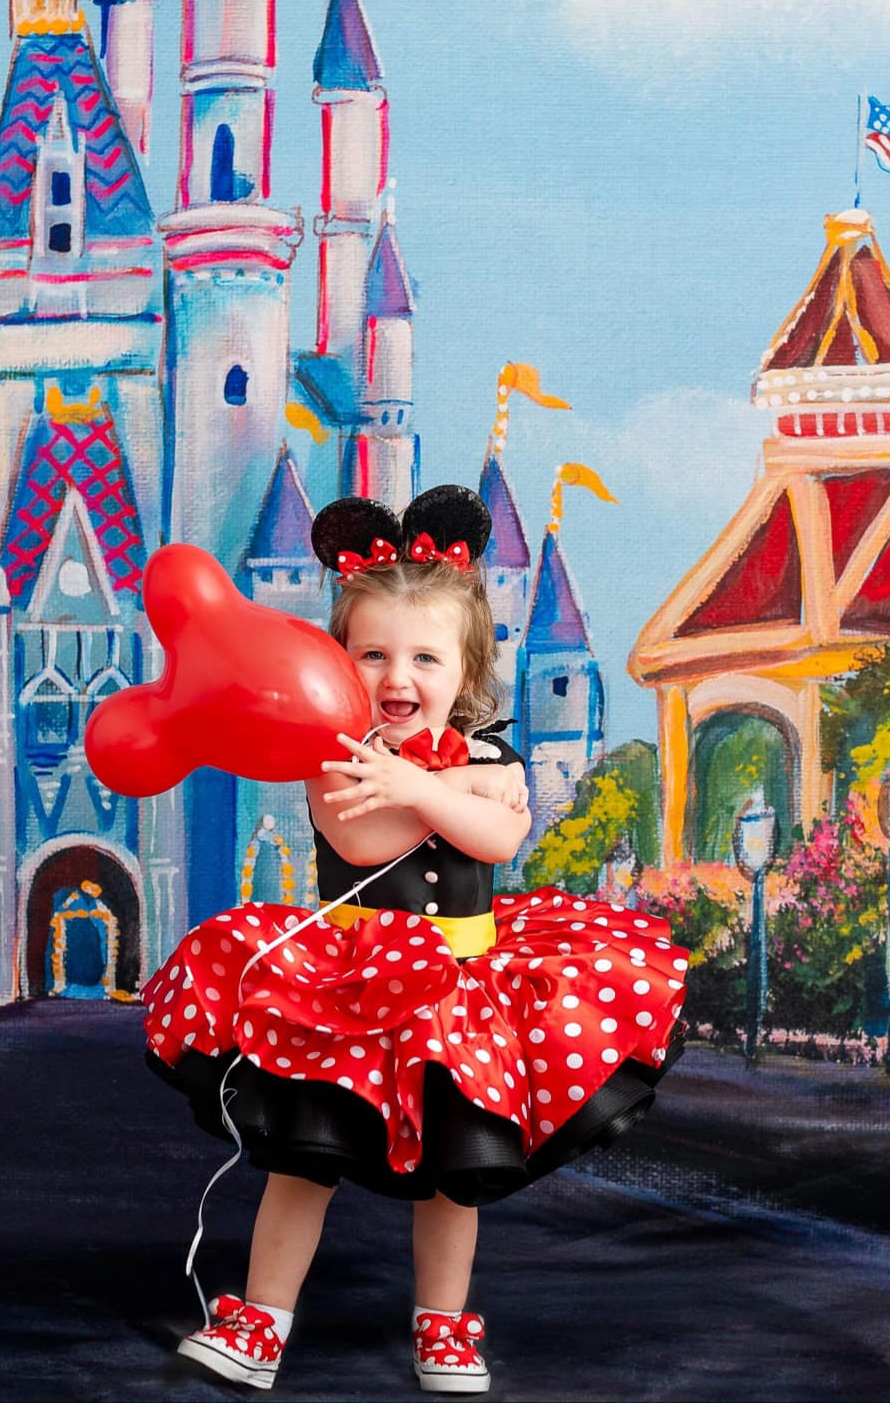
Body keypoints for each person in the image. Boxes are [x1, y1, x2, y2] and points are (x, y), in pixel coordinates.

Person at [143, 485, 690, 1393]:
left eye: (425, 656)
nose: (399, 677)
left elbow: (505, 839)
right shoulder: (329, 759)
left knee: (455, 1173)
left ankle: (444, 1327)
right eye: (373, 654)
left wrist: (443, 790)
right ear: (336, 661)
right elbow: (365, 838)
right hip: (347, 991)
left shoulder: (494, 756)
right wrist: (452, 794)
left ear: (465, 667)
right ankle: (262, 1321)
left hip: (463, 996)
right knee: (304, 1164)